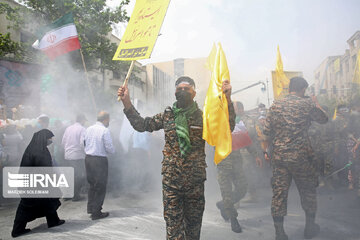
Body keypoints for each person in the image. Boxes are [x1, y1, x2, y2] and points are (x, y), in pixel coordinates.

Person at [118, 76, 235, 240]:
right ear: (174, 92)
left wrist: (228, 98)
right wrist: (127, 103)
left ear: (194, 93)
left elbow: (227, 127)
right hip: (172, 183)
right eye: (179, 89)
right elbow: (142, 124)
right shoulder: (167, 116)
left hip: (194, 183)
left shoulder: (203, 117)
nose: (183, 91)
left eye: (187, 89)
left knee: (193, 229)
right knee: (174, 230)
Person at [263, 77, 328, 240]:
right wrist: (316, 102)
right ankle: (309, 227)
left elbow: (266, 130)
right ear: (303, 89)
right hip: (301, 157)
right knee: (308, 191)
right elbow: (324, 119)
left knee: (279, 194)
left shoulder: (275, 105)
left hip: (279, 157)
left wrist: (267, 150)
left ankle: (279, 233)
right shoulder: (306, 104)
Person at [216, 101, 262, 233]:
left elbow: (246, 140)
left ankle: (223, 205)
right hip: (223, 165)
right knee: (227, 193)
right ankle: (233, 220)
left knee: (242, 188)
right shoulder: (215, 124)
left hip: (237, 164)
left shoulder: (237, 125)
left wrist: (255, 155)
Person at [11, 129, 65, 238]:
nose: (50, 140)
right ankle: (17, 230)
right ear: (43, 139)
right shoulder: (39, 151)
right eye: (49, 138)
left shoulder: (35, 148)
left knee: (48, 200)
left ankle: (53, 221)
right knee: (26, 206)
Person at [84, 111, 114, 220]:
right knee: (100, 186)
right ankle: (96, 212)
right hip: (99, 160)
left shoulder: (88, 129)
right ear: (105, 119)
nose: (109, 122)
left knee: (92, 184)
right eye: (109, 120)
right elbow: (109, 147)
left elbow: (83, 143)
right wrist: (113, 152)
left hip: (88, 159)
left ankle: (91, 208)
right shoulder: (105, 130)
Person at [62, 114, 87, 201]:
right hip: (77, 156)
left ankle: (67, 195)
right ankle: (76, 195)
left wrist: (67, 150)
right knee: (79, 175)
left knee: (69, 175)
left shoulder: (68, 128)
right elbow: (82, 143)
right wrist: (86, 152)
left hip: (68, 155)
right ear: (82, 120)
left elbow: (63, 141)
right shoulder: (82, 129)